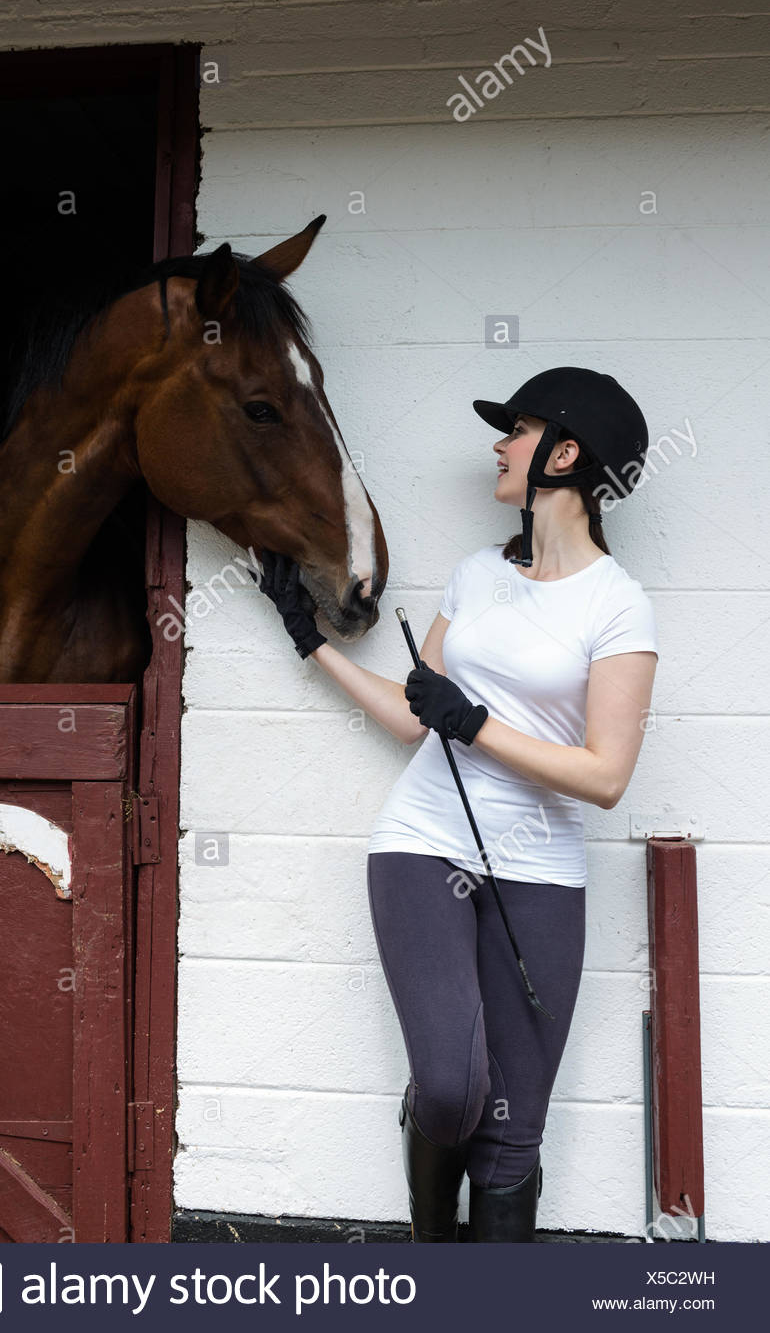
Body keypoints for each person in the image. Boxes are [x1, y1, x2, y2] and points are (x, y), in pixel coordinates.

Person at [250, 366, 659, 1243]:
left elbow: (605, 775)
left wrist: (472, 722)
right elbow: (413, 714)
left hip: (540, 866)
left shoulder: (618, 606)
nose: (501, 447)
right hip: (424, 843)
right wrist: (308, 639)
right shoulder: (477, 576)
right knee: (448, 1087)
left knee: (514, 1137)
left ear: (567, 453)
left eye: (516, 431)